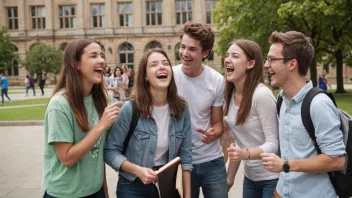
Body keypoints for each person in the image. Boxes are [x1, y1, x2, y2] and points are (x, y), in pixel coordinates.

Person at [261, 31, 345, 198]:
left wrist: (285, 165)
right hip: (282, 192)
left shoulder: (319, 104)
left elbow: (337, 160)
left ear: (292, 64)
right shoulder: (282, 100)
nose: (266, 65)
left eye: (272, 59)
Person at [104, 48, 192, 198]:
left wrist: (188, 196)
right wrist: (138, 170)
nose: (161, 67)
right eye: (154, 64)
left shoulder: (182, 108)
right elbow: (110, 151)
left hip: (168, 186)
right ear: (145, 75)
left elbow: (186, 156)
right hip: (133, 186)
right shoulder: (130, 109)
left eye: (165, 63)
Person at [41, 39, 120, 198]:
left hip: (95, 190)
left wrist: (104, 189)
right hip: (64, 193)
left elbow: (98, 153)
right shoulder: (59, 104)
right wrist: (101, 125)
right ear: (76, 64)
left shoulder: (100, 100)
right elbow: (67, 159)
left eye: (102, 55)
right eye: (93, 56)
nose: (102, 60)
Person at [173, 21, 227, 198]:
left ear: (205, 53)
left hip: (212, 160)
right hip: (179, 162)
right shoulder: (169, 77)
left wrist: (214, 133)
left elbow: (218, 123)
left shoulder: (216, 80)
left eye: (192, 49)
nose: (185, 54)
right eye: (182, 47)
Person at [223, 39, 279, 198]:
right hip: (250, 178)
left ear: (250, 64)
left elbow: (274, 143)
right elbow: (237, 142)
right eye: (227, 55)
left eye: (234, 56)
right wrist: (229, 179)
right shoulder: (230, 95)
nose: (227, 59)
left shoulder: (261, 95)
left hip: (272, 178)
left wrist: (245, 153)